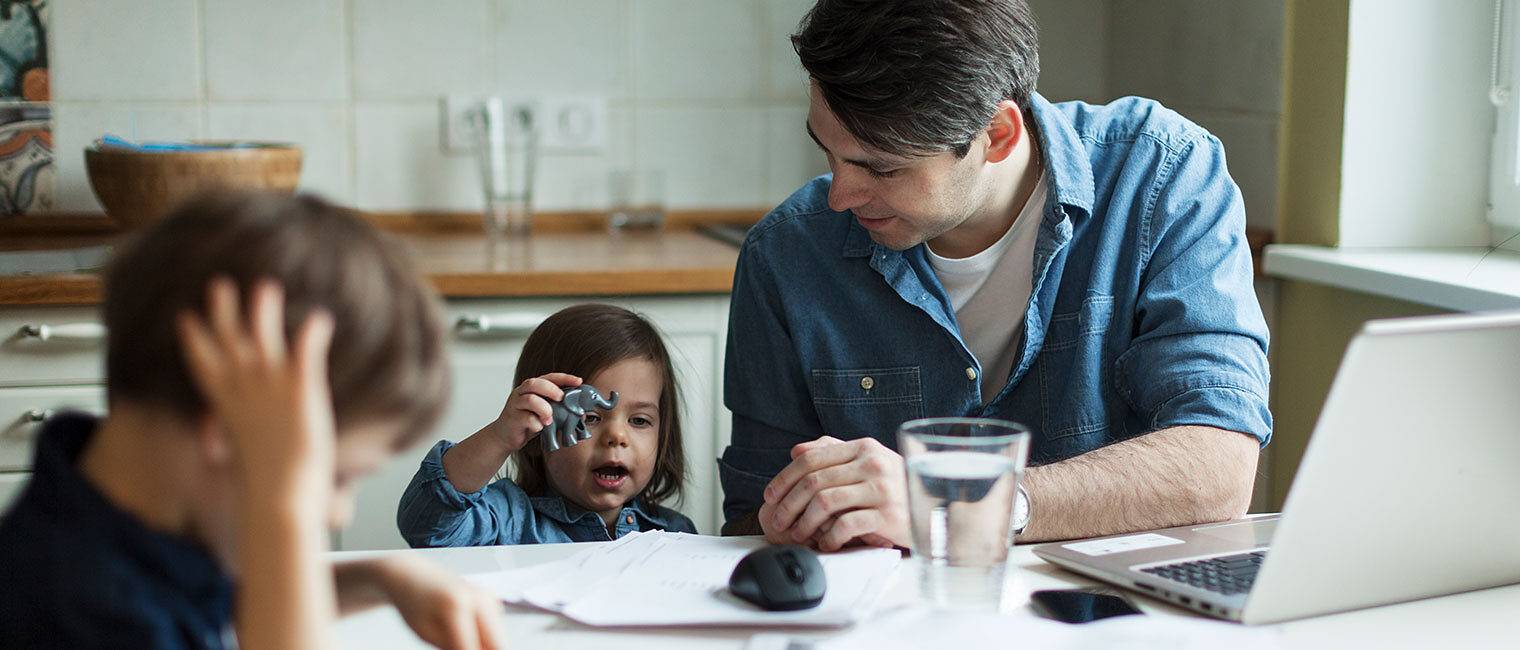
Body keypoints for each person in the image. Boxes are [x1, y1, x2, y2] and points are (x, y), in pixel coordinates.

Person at [719, 0, 1271, 552]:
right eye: (829, 153)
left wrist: (962, 504)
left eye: (881, 167)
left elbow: (1218, 468)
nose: (840, 195)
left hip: (1108, 624)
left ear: (998, 133)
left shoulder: (1163, 177)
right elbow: (751, 521)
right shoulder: (786, 252)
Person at [0, 192, 507, 650]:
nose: (337, 512)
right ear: (226, 426)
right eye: (331, 477)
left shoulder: (116, 515)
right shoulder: (87, 616)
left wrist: (382, 577)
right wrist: (281, 503)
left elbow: (231, 599)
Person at [398, 303, 696, 546]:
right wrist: (500, 437)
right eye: (590, 418)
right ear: (538, 429)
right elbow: (427, 527)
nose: (617, 436)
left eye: (639, 421)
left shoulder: (675, 533)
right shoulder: (508, 520)